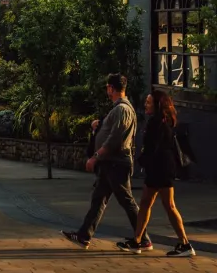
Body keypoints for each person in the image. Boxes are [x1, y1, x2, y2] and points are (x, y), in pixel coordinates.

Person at [62, 74, 151, 250]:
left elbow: (115, 138)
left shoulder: (122, 109)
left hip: (117, 163)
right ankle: (83, 236)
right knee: (98, 199)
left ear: (111, 88)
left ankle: (143, 238)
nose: (106, 90)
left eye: (107, 87)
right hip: (110, 163)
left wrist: (96, 156)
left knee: (127, 201)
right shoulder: (118, 109)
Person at [117, 91, 195, 257]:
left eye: (149, 102)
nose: (146, 105)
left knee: (167, 205)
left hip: (160, 169)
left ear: (157, 105)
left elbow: (154, 147)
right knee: (148, 203)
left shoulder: (157, 123)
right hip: (162, 168)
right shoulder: (163, 121)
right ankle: (138, 240)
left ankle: (184, 243)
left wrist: (142, 161)